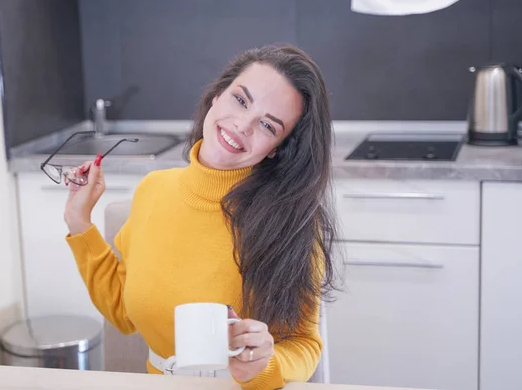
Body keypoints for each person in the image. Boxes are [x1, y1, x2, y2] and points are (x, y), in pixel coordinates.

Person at [63, 44, 339, 389]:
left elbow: (305, 345)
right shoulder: (153, 190)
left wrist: (266, 364)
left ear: (278, 149)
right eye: (240, 100)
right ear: (217, 96)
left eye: (267, 125)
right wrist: (79, 222)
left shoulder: (290, 222)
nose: (242, 125)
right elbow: (123, 310)